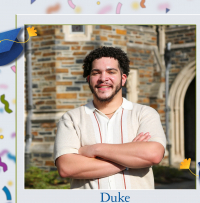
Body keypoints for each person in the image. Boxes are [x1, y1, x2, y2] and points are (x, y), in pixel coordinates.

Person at [54, 46, 166, 189]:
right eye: (96, 73)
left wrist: (95, 150)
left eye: (111, 72)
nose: (103, 78)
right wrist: (131, 158)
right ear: (89, 79)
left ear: (123, 78)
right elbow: (66, 168)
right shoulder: (71, 118)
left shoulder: (145, 114)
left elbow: (153, 155)